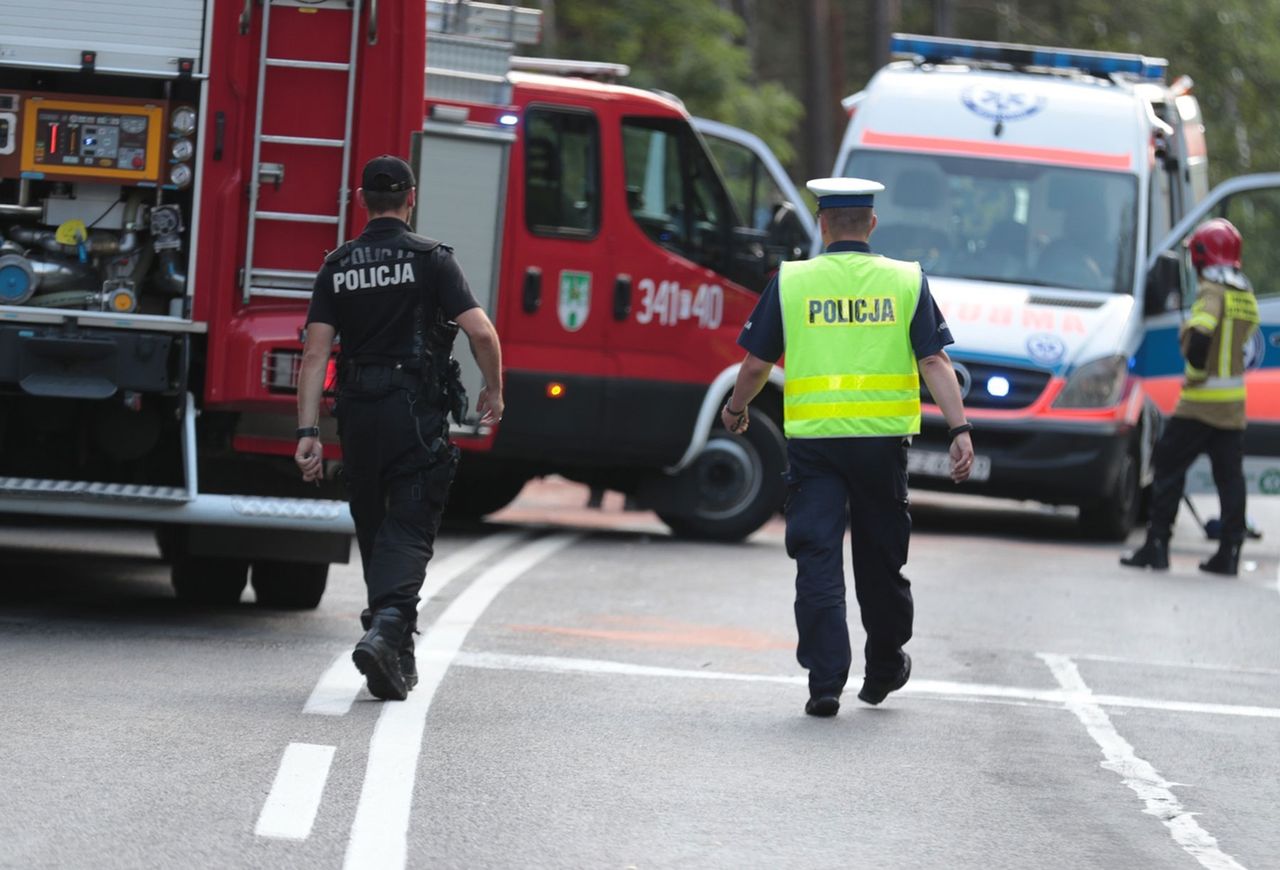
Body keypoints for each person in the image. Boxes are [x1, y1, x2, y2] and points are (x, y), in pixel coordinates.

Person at [722, 177, 975, 717]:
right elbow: (934, 360)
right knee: (881, 559)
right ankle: (883, 668)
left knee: (817, 557)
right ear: (872, 224)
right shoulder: (905, 280)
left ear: (822, 225)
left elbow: (756, 363)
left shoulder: (793, 281)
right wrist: (959, 430)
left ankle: (825, 681)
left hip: (815, 446)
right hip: (881, 445)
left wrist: (737, 408)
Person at [295, 155, 503, 701]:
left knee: (373, 521)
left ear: (362, 200)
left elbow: (315, 354)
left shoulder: (337, 265)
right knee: (409, 521)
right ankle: (387, 626)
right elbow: (481, 332)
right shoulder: (433, 260)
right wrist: (494, 390)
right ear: (411, 197)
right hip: (413, 411)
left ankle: (393, 651)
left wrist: (307, 431)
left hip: (357, 413)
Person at [1121, 217, 1260, 576]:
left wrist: (1193, 357)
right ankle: (1229, 553)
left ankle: (1157, 546)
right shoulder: (1244, 294)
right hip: (1232, 406)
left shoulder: (1212, 291)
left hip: (1199, 404)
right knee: (1230, 480)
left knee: (1167, 467)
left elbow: (1200, 337)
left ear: (1202, 255)